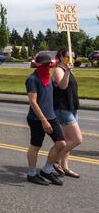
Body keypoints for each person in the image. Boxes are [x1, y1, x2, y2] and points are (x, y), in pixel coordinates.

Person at [25, 53, 66, 186]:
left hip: (51, 116)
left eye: (49, 64)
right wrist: (43, 120)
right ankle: (31, 174)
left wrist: (68, 70)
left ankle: (46, 170)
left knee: (61, 143)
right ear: (38, 65)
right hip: (37, 119)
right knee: (36, 146)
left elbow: (63, 86)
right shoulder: (32, 79)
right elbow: (33, 102)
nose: (47, 67)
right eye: (44, 64)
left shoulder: (49, 77)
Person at [52, 48, 82, 178]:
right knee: (77, 139)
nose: (72, 59)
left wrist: (69, 70)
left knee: (68, 140)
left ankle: (65, 167)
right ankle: (54, 159)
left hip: (71, 107)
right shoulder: (58, 70)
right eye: (70, 56)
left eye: (73, 57)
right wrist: (68, 70)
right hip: (62, 108)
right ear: (61, 57)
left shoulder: (67, 70)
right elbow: (63, 86)